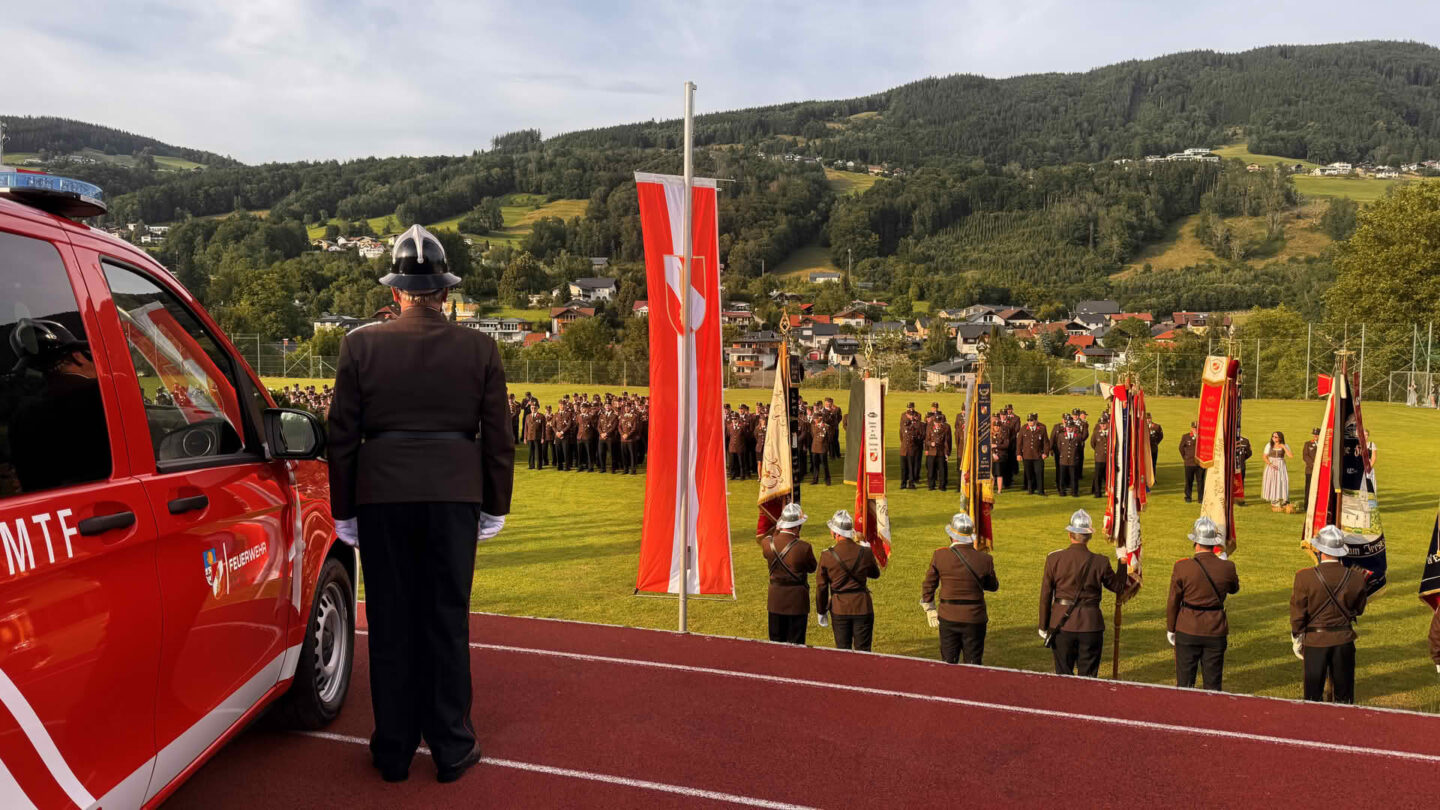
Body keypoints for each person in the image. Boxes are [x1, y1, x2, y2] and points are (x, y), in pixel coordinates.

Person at [328, 225, 513, 784]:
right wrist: (494, 504)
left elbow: (342, 436)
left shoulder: (359, 344)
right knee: (446, 621)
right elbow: (498, 436)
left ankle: (393, 751)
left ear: (396, 293)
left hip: (382, 498)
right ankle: (453, 747)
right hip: (455, 497)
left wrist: (345, 509)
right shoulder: (480, 347)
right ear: (445, 292)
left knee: (390, 623)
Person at [1038, 510, 1127, 677]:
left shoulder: (1054, 559)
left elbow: (1045, 596)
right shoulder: (1100, 562)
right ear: (1089, 536)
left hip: (1061, 624)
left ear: (1070, 534)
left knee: (1063, 677)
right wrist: (1122, 562)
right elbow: (1118, 587)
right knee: (1089, 680)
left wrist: (1043, 625)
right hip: (1091, 626)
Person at [1290, 525, 1369, 704]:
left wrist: (1297, 636)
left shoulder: (1304, 577)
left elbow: (1298, 613)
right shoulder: (1357, 577)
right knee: (1344, 696)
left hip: (1315, 641)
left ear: (1320, 551)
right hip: (1344, 640)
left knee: (1312, 696)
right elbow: (1359, 609)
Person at [1166, 517, 1240, 691]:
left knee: (1184, 684)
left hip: (1187, 628)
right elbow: (1234, 589)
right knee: (1213, 685)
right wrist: (1222, 562)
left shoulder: (1182, 567)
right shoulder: (1227, 567)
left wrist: (1171, 627)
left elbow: (1173, 601)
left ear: (1196, 542)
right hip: (1215, 630)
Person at [921, 513, 999, 664]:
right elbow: (993, 586)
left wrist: (929, 607)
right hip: (974, 618)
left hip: (948, 617)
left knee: (949, 663)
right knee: (973, 664)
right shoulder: (985, 559)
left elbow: (929, 584)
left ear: (951, 536)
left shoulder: (940, 555)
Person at [816, 510, 880, 651]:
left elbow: (821, 587)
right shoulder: (865, 552)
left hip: (839, 608)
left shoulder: (827, 555)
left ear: (836, 534)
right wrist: (867, 549)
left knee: (842, 651)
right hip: (862, 606)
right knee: (863, 653)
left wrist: (821, 611)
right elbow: (875, 574)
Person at [758, 503, 818, 645]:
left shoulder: (767, 544)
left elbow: (770, 543)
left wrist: (777, 531)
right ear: (797, 526)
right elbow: (812, 568)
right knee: (796, 645)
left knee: (776, 643)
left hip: (775, 600)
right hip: (797, 602)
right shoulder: (804, 547)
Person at [1018, 412, 1050, 495]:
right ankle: (1030, 490)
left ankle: (1041, 491)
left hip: (1038, 455)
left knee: (1039, 473)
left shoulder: (1042, 429)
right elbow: (1019, 443)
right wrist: (1018, 454)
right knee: (1029, 474)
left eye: (1031, 420)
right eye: (1028, 420)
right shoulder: (1023, 428)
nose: (1030, 422)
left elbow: (1046, 442)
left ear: (1035, 421)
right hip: (1027, 455)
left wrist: (1045, 453)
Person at [1261, 431, 1293, 510]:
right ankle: (1274, 500)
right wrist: (1270, 464)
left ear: (1280, 438)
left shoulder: (1285, 445)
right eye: (1273, 436)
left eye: (1276, 437)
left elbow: (1290, 456)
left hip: (1281, 465)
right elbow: (1264, 456)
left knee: (1282, 481)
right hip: (1271, 465)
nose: (1274, 438)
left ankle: (1283, 498)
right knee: (1272, 481)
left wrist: (1284, 447)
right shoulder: (1269, 445)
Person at [925, 408, 952, 491]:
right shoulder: (929, 426)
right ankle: (931, 485)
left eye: (939, 423)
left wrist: (946, 453)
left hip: (940, 452)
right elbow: (926, 440)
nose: (937, 424)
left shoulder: (945, 428)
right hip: (932, 452)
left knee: (942, 470)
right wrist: (930, 444)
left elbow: (946, 442)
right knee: (931, 470)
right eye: (936, 423)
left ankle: (942, 486)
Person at [1056, 416, 1084, 497]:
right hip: (1063, 460)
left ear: (1074, 427)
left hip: (1073, 460)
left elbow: (1079, 448)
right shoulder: (1061, 436)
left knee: (1074, 477)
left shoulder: (1078, 436)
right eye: (1067, 427)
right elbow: (1059, 447)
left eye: (1070, 427)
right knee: (1062, 477)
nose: (1068, 428)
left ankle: (1074, 492)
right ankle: (1062, 491)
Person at [1179, 422, 1204, 503]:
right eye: (1194, 428)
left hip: (1200, 463)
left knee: (1200, 481)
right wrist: (1185, 458)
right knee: (1189, 481)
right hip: (1189, 463)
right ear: (1191, 428)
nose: (1195, 430)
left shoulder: (1203, 437)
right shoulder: (1186, 437)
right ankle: (1188, 497)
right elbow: (1181, 448)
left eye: (1196, 428)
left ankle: (1200, 498)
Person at [899, 402, 922, 490]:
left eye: (911, 407)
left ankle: (911, 483)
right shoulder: (903, 416)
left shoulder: (917, 415)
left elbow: (918, 425)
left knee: (911, 467)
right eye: (909, 407)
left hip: (912, 449)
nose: (910, 409)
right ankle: (903, 483)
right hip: (904, 449)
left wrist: (912, 418)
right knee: (903, 468)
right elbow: (901, 434)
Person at [1090, 412, 1111, 499]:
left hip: (1109, 458)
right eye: (1101, 424)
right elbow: (1093, 444)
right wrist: (1099, 451)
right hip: (1099, 458)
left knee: (1108, 477)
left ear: (1107, 424)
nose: (1103, 426)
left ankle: (1108, 491)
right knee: (1098, 476)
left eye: (1104, 424)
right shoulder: (1096, 433)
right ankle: (1097, 492)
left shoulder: (1111, 433)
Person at [809, 408, 832, 486]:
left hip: (822, 448)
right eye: (814, 419)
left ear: (820, 418)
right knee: (815, 465)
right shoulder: (813, 426)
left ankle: (827, 479)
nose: (814, 420)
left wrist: (826, 446)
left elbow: (829, 438)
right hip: (814, 448)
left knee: (825, 465)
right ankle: (815, 479)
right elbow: (813, 435)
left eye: (815, 419)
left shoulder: (826, 426)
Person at [619, 403, 640, 474]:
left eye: (628, 407)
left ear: (630, 408)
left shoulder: (634, 416)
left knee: (632, 455)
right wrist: (622, 434)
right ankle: (625, 469)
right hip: (623, 439)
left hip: (631, 439)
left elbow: (634, 428)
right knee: (624, 455)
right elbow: (619, 427)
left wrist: (627, 434)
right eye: (625, 407)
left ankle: (633, 470)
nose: (627, 408)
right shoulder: (622, 416)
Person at [523, 403, 545, 470]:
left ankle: (539, 466)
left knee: (538, 452)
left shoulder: (541, 416)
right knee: (531, 452)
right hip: (530, 436)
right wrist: (525, 437)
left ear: (537, 408)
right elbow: (525, 428)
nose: (533, 409)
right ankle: (531, 465)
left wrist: (543, 437)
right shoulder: (527, 416)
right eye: (532, 408)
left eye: (534, 408)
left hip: (537, 437)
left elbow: (543, 428)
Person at [1302, 427, 1319, 506]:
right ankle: (1307, 505)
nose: (1315, 436)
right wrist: (1313, 464)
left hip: (1321, 470)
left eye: (1317, 434)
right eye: (1314, 434)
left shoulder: (1324, 445)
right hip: (1310, 470)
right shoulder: (1308, 444)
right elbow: (1305, 456)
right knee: (1308, 488)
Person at [1234, 434, 1252, 506]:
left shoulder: (1245, 441)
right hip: (1239, 465)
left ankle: (1239, 500)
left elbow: (1249, 453)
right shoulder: (1245, 440)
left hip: (1239, 466)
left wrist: (1242, 459)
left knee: (1240, 483)